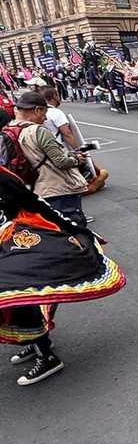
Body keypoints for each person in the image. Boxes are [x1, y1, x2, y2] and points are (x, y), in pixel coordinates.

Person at [0, 165, 125, 385]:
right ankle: (36, 342)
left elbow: (38, 205)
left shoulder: (4, 179)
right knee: (15, 305)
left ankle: (46, 356)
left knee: (22, 298)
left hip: (18, 247)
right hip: (6, 253)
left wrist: (74, 228)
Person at [9, 92, 89, 227]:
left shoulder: (9, 129)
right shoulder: (38, 131)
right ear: (37, 110)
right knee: (74, 229)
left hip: (32, 188)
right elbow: (61, 161)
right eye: (44, 113)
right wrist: (76, 159)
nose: (45, 118)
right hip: (55, 188)